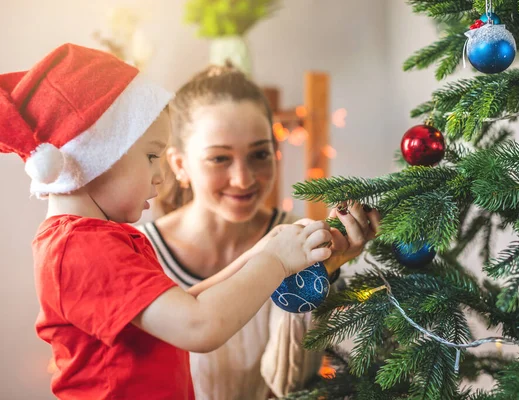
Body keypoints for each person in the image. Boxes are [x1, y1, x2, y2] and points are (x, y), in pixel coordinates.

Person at [0, 43, 337, 399]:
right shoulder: (81, 249)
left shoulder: (97, 239)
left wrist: (262, 251)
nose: (161, 177)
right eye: (151, 156)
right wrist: (276, 260)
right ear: (99, 155)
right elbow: (199, 326)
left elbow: (184, 302)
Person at [136, 63, 381, 399]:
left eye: (260, 154)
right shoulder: (138, 255)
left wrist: (319, 274)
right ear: (180, 165)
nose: (244, 179)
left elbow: (291, 386)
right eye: (220, 159)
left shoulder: (296, 240)